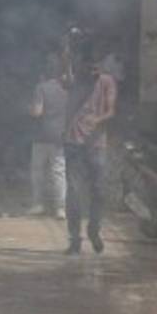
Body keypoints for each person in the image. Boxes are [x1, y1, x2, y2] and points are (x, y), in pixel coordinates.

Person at [63, 52, 117, 255]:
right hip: (73, 142)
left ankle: (94, 230)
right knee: (74, 192)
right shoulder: (74, 79)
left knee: (99, 191)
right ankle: (75, 239)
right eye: (88, 65)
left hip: (96, 145)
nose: (91, 70)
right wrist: (66, 53)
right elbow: (64, 77)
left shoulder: (107, 82)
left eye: (95, 66)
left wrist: (97, 120)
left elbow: (111, 110)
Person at [28, 58, 68, 220]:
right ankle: (60, 208)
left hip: (42, 135)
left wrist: (28, 109)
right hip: (60, 135)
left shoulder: (41, 88)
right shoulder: (66, 90)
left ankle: (39, 204)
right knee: (58, 172)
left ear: (44, 73)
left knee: (38, 170)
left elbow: (37, 111)